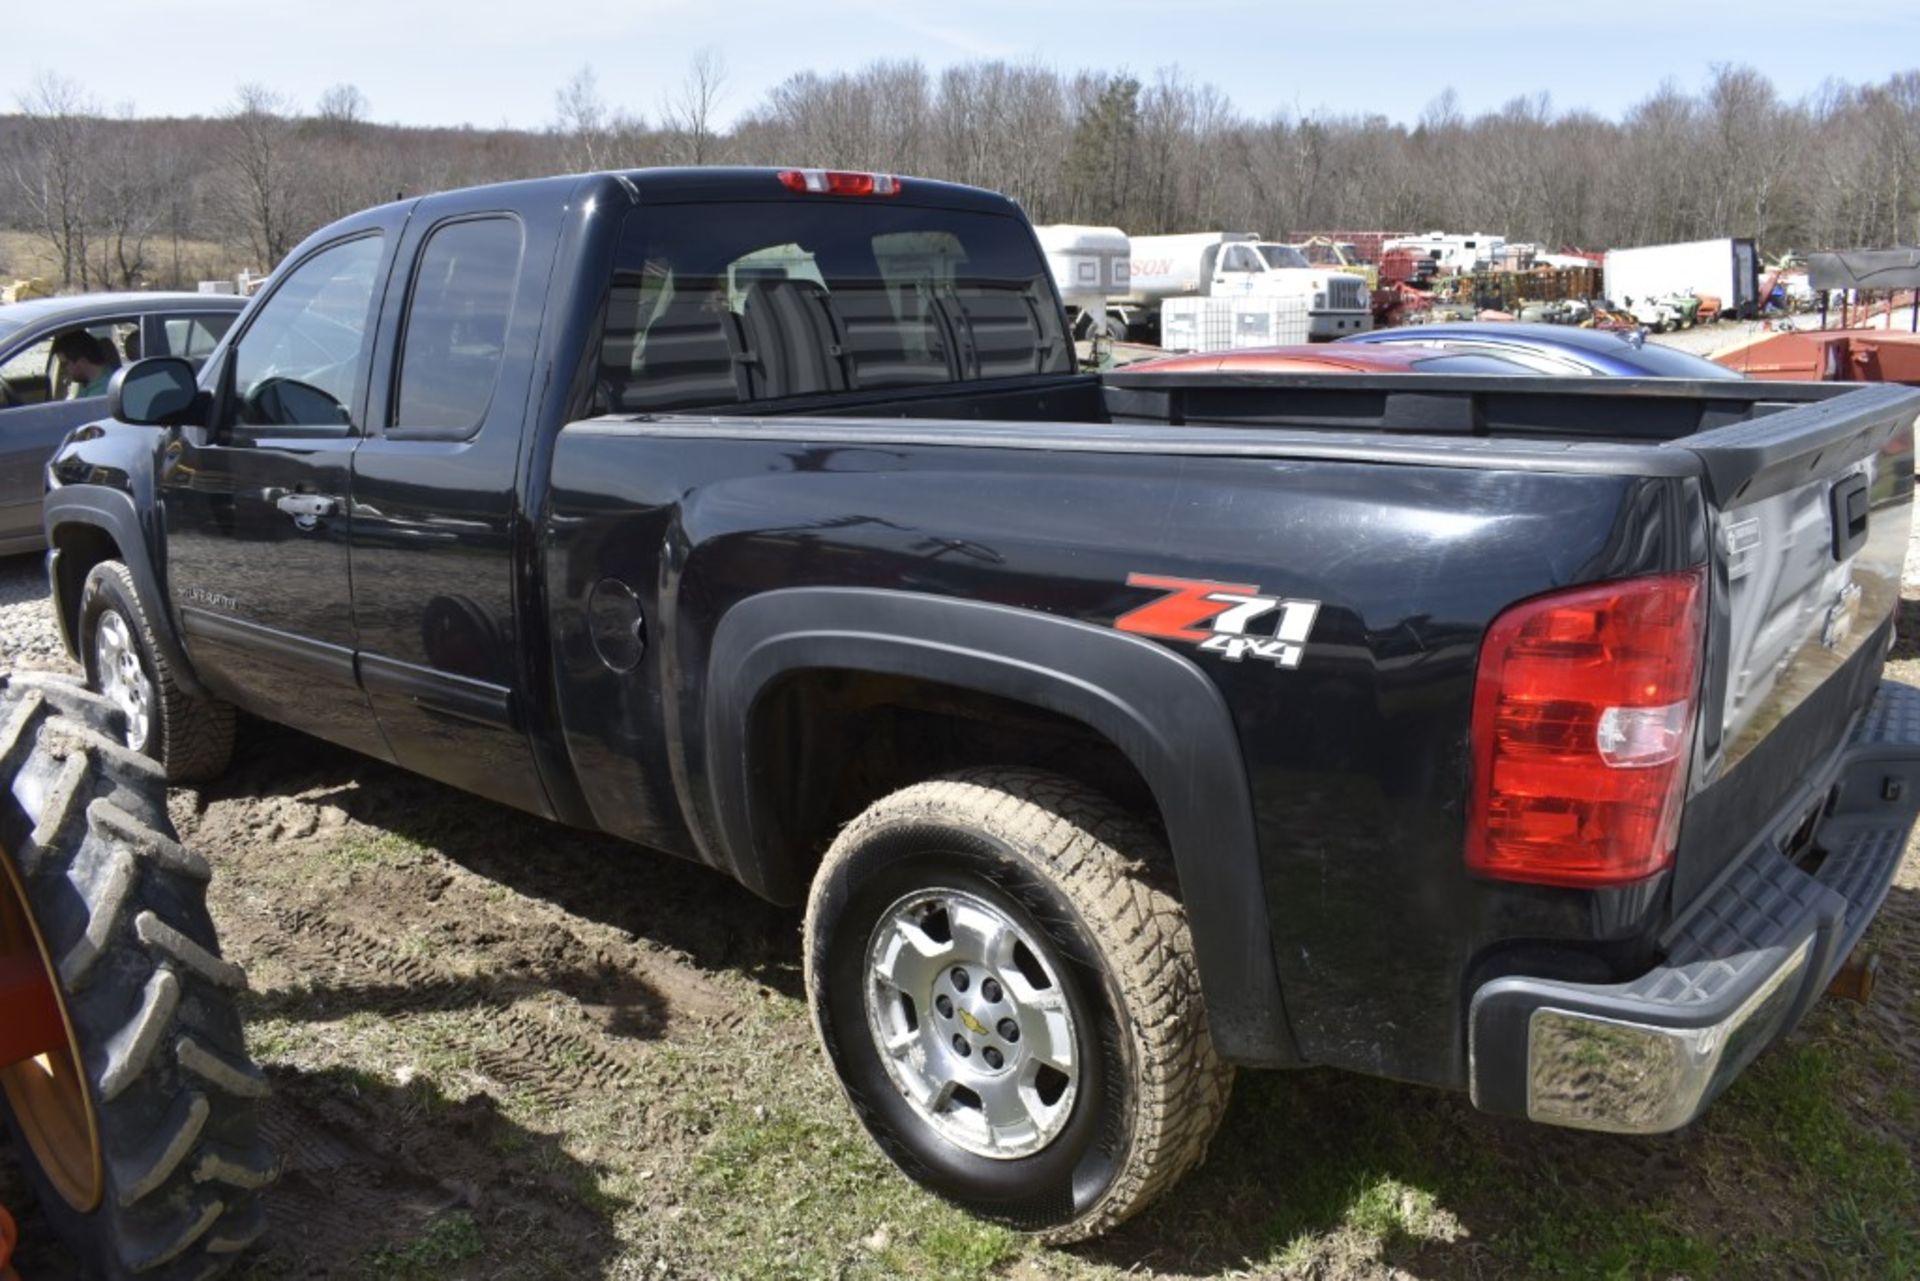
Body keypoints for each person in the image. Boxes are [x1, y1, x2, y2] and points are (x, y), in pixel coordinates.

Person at [51, 330, 117, 400]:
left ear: (82, 360)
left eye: (64, 364)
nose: (63, 370)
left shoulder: (103, 392)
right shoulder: (88, 383)